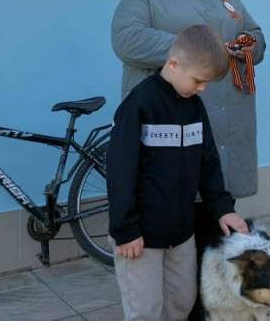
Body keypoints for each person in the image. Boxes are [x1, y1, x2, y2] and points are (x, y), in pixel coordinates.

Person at [110, 0, 266, 317]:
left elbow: (256, 36)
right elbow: (127, 39)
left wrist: (247, 46)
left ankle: (211, 306)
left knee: (216, 221)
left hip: (224, 124)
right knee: (181, 230)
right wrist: (198, 52)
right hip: (170, 129)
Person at [106, 24, 250, 321]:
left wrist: (222, 207)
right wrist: (126, 229)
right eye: (198, 80)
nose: (202, 88)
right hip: (141, 237)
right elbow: (120, 171)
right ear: (173, 64)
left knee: (182, 302)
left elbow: (208, 161)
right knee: (145, 310)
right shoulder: (140, 105)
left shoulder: (194, 107)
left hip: (181, 233)